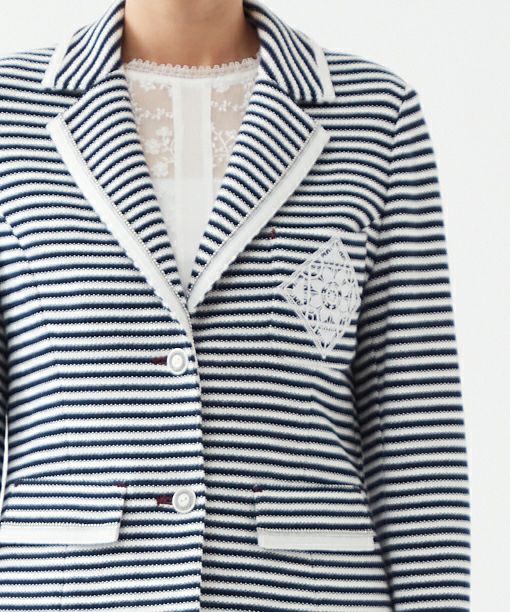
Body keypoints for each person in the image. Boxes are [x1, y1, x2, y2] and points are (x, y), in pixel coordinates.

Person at [0, 1, 471, 611]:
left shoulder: (376, 115)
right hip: (65, 588)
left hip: (308, 591)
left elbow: (416, 427)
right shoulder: (11, 111)